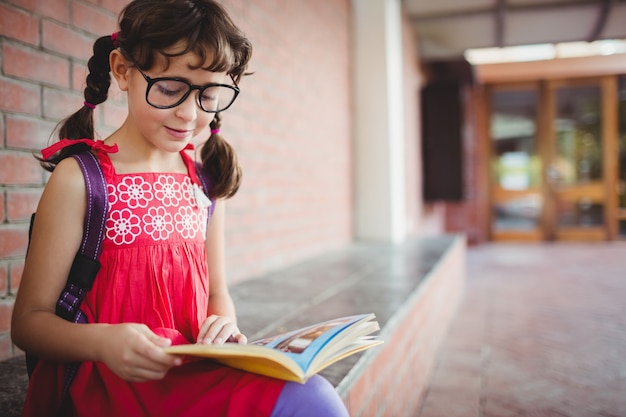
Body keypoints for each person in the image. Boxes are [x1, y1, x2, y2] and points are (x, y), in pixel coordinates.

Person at [10, 1, 349, 416]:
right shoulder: (82, 180)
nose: (189, 113)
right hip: (108, 383)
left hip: (191, 373)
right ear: (122, 70)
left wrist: (224, 326)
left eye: (209, 94)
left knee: (314, 398)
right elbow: (29, 322)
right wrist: (104, 342)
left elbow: (217, 293)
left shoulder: (205, 182)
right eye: (170, 89)